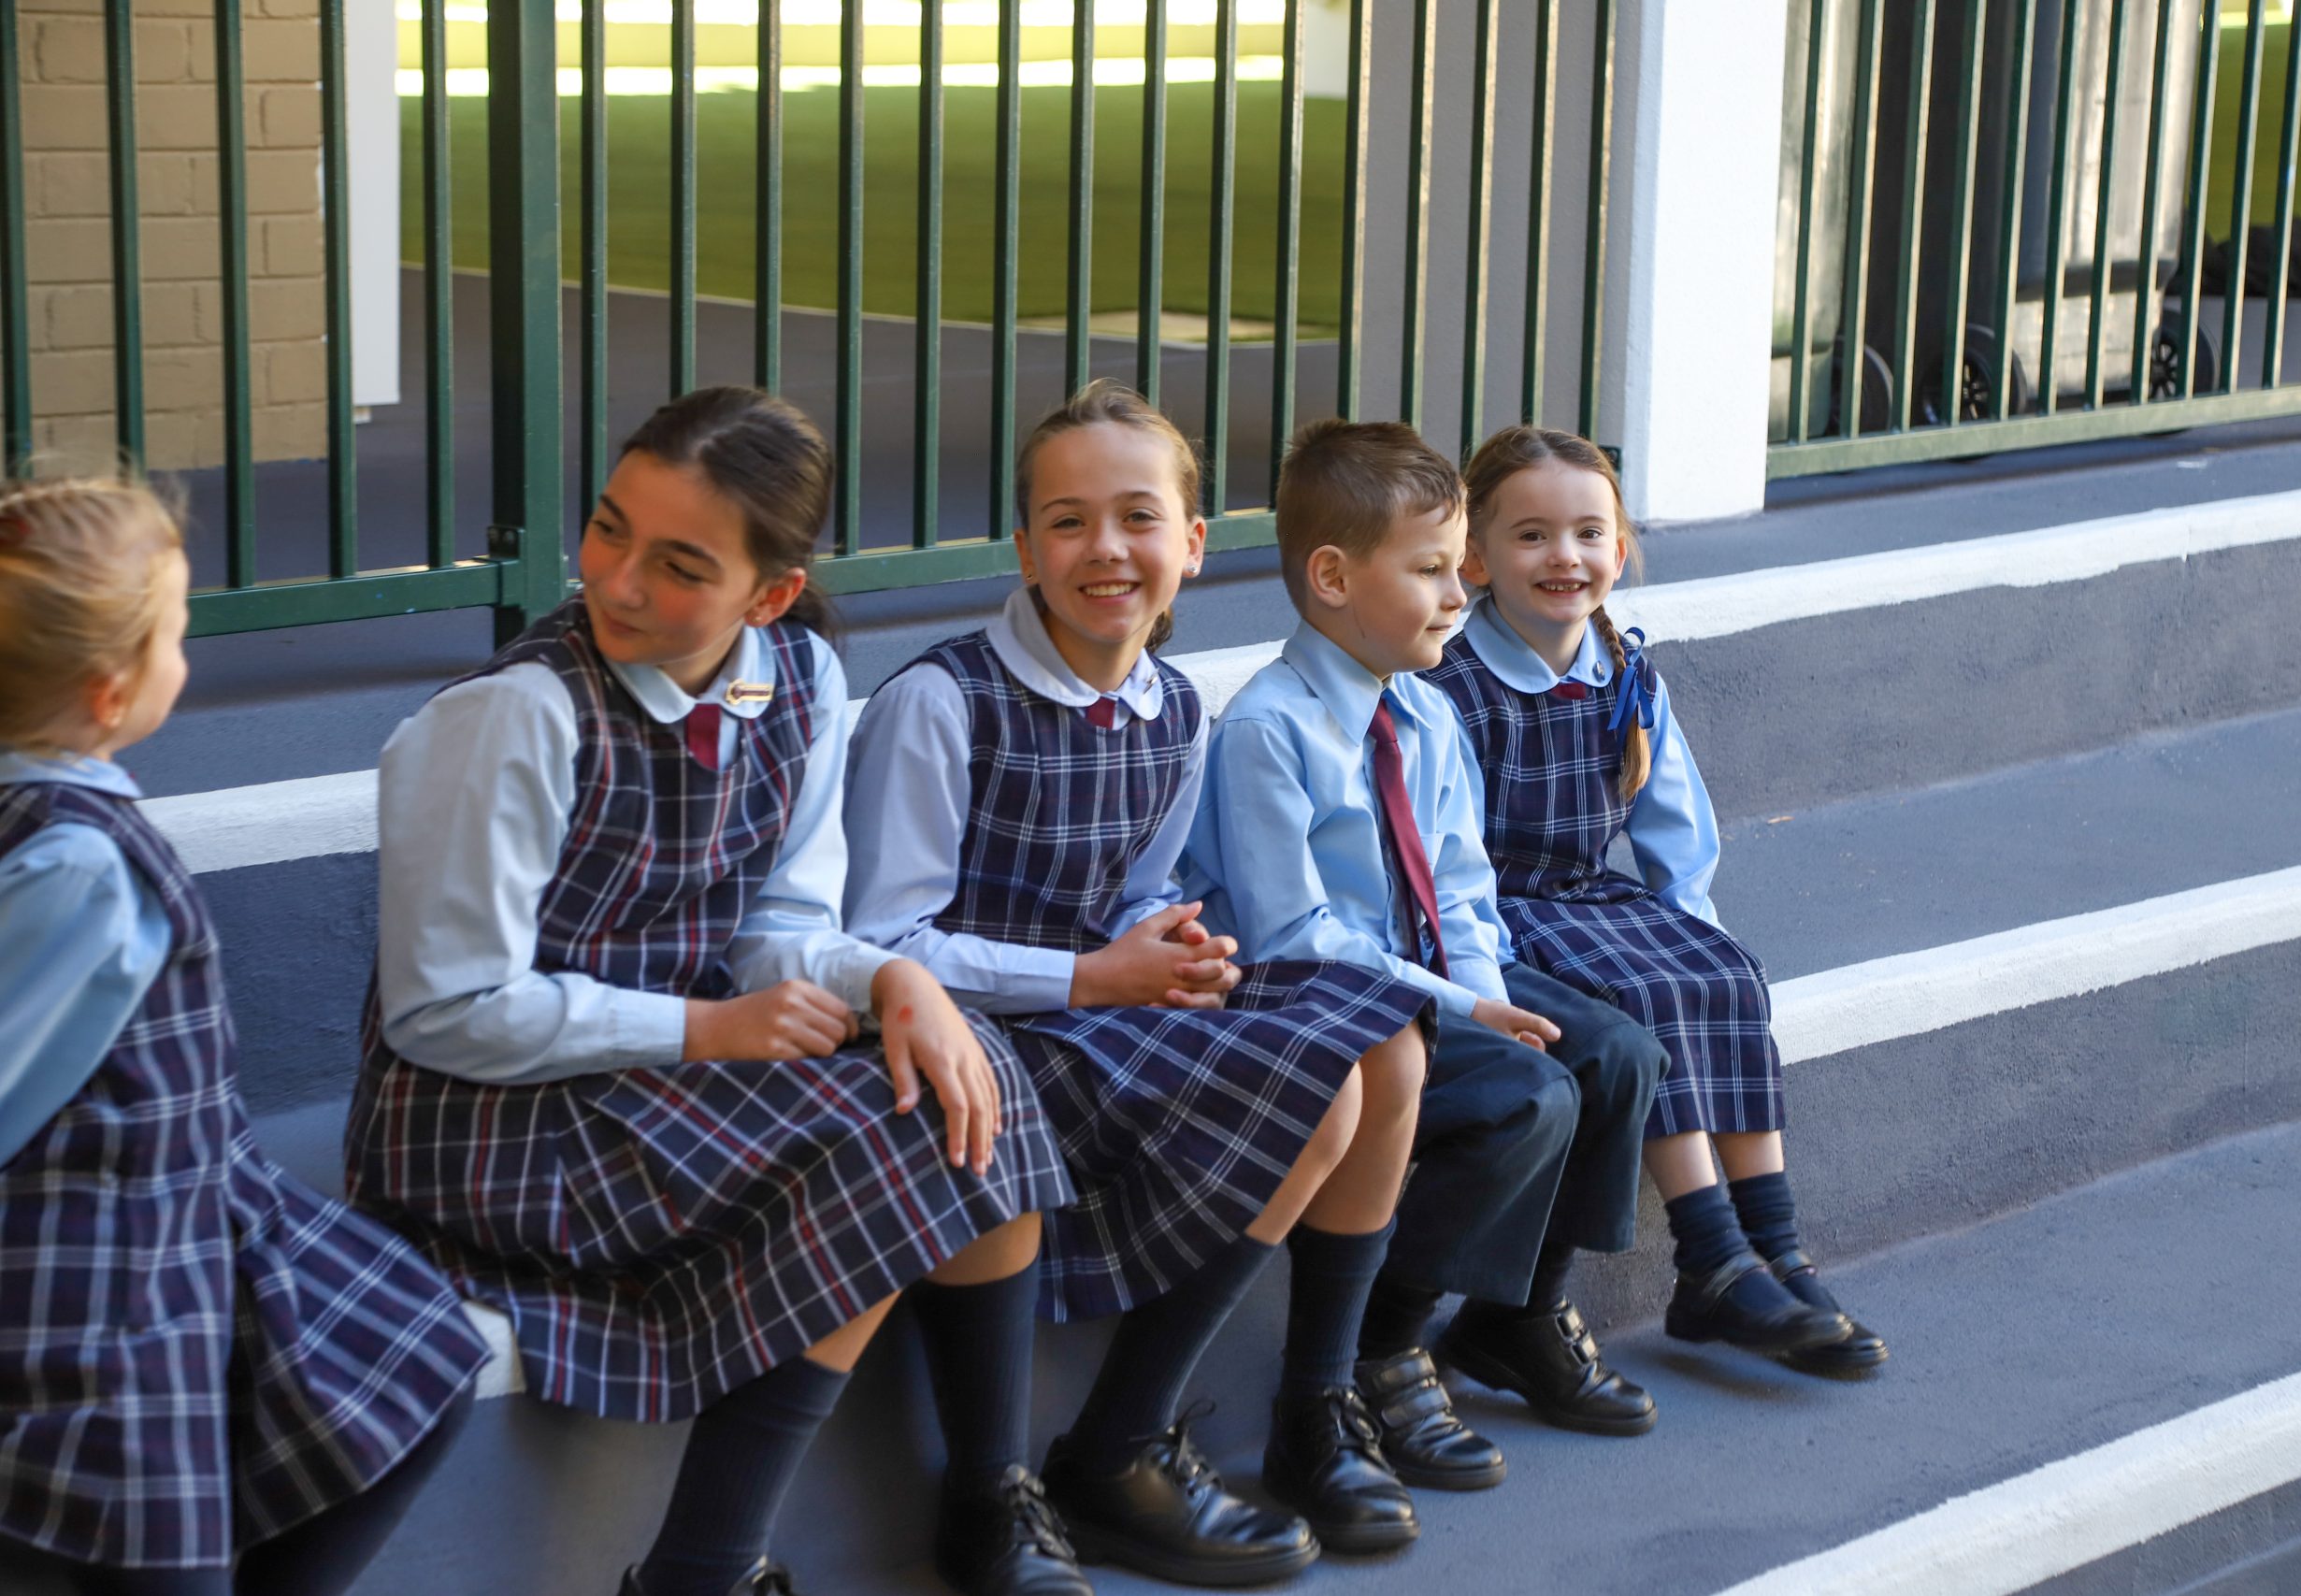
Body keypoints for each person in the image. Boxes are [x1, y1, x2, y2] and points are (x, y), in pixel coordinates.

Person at [343, 388, 1084, 1596]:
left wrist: (888, 974)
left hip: (668, 1063)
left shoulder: (794, 680)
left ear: (771, 593)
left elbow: (782, 923)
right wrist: (708, 1028)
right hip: (483, 1108)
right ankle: (705, 1565)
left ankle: (992, 1494)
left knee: (966, 1071)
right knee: (893, 1145)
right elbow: (447, 1012)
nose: (618, 580)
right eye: (609, 525)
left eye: (681, 562)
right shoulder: (510, 718)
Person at [847, 381, 1435, 1583]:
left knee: (1370, 1051)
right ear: (1023, 549)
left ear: (1191, 543)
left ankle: (1131, 1443)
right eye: (1066, 522)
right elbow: (884, 942)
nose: (1104, 549)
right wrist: (1096, 972)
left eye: (1136, 518)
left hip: (1091, 1006)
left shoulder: (1175, 708)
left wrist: (1167, 949)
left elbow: (1133, 893)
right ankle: (990, 1491)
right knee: (990, 1110)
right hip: (960, 1026)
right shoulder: (940, 702)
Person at [0, 476, 488, 1596]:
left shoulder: (61, 818)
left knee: (413, 1369)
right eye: (176, 628)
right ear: (113, 688)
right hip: (104, 1300)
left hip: (200, 1224)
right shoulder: (77, 867)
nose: (188, 647)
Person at [1181, 416, 1684, 1479]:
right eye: (1430, 572)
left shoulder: (1423, 712)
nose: (1461, 596)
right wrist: (1467, 1016)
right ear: (1331, 578)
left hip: (1422, 981)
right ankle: (1385, 1346)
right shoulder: (1267, 729)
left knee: (1612, 1052)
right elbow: (1293, 935)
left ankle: (1521, 1312)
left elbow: (1460, 886)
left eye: (1459, 569)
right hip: (1319, 999)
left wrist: (1488, 997)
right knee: (1523, 1095)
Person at [1424, 424, 1881, 1378]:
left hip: (1590, 893)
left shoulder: (1623, 669)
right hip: (1504, 912)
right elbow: (1451, 859)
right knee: (1643, 994)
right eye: (1532, 536)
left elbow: (1676, 826)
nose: (1565, 557)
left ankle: (1779, 1252)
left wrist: (1693, 931)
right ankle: (1709, 1258)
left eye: (1589, 533)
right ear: (1475, 558)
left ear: (1619, 551)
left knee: (1721, 973)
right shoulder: (1452, 687)